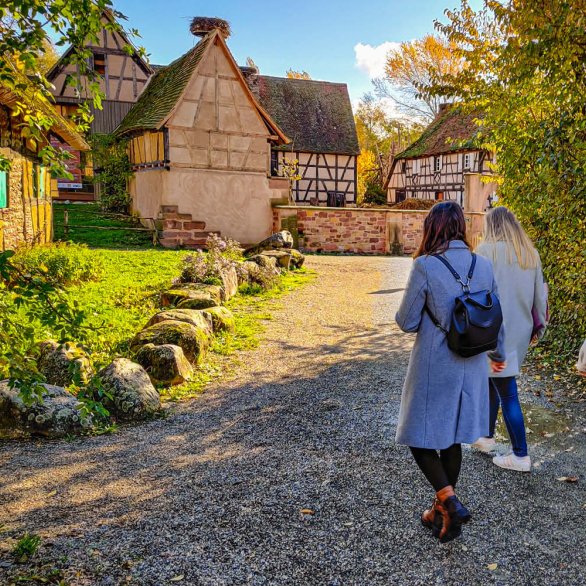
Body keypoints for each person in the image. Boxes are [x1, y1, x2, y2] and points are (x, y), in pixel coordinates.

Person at [395, 201, 506, 543]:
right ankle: (444, 512)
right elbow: (495, 313)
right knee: (452, 438)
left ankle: (450, 503)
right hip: (471, 364)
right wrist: (498, 354)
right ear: (460, 226)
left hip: (435, 366)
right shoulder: (483, 265)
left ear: (433, 227)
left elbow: (406, 321)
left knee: (418, 435)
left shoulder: (425, 266)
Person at [473, 207, 548, 472]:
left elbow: (474, 294)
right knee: (496, 380)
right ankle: (485, 436)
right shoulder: (530, 254)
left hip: (494, 335)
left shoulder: (484, 252)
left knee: (506, 391)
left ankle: (520, 455)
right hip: (519, 334)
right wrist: (540, 329)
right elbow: (541, 297)